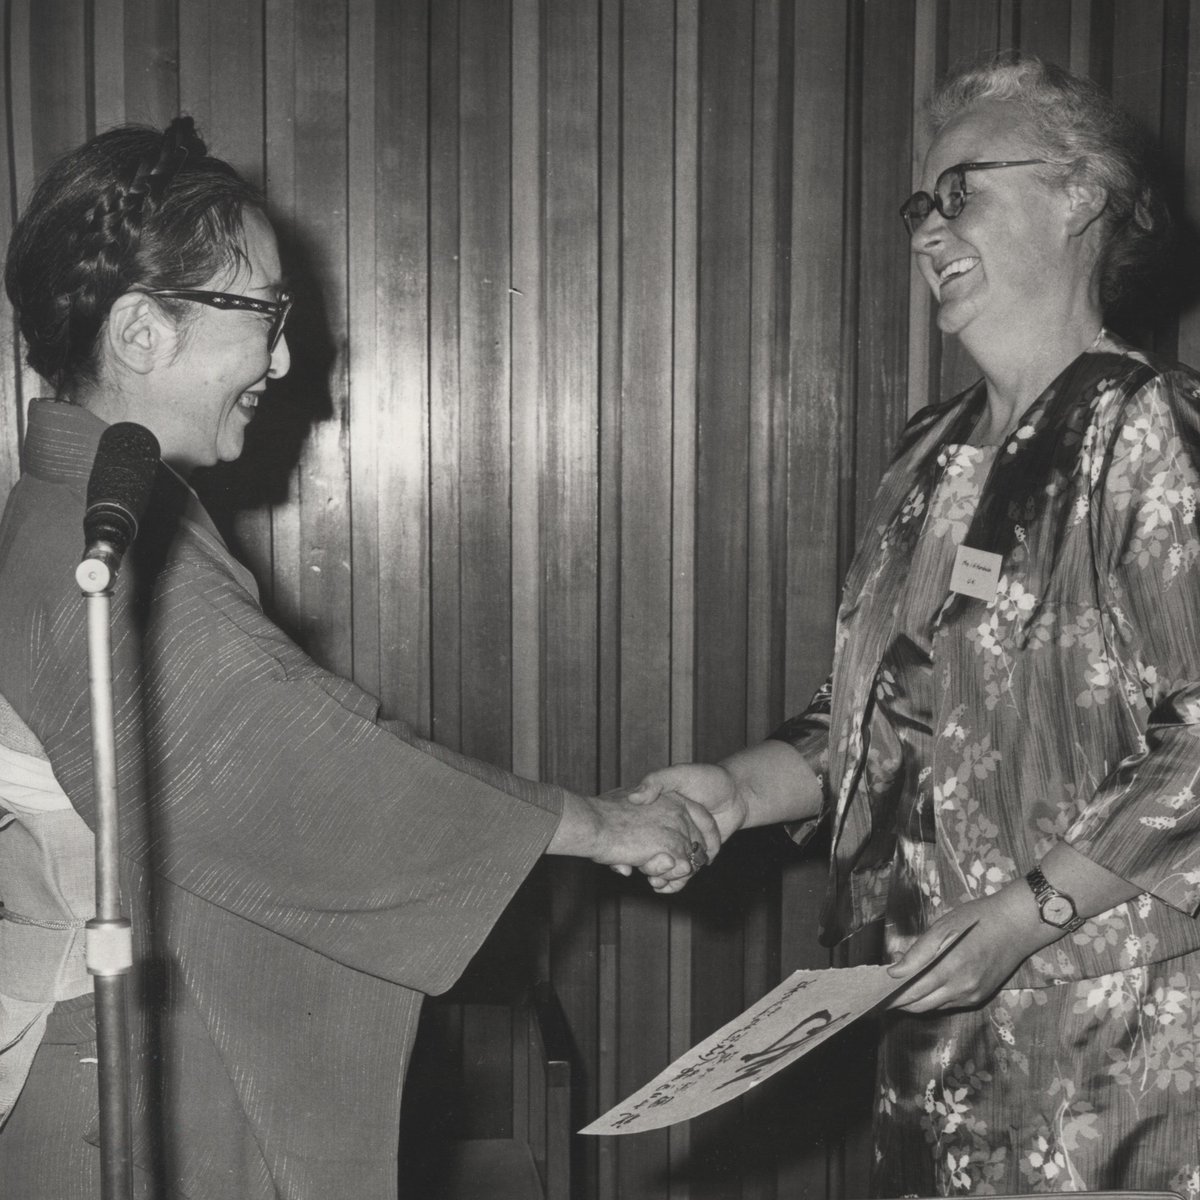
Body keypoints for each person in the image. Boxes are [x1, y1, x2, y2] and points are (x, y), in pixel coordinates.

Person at [0, 119, 719, 1200]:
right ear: (142, 331)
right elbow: (321, 776)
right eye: (262, 315)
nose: (286, 359)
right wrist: (605, 822)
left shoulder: (81, 513)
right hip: (118, 1090)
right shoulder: (89, 542)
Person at [632, 53, 1200, 1195]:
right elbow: (887, 711)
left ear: (1080, 196)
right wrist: (736, 792)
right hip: (930, 1022)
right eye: (918, 207)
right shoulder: (927, 452)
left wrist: (1031, 909)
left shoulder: (1146, 426)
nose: (926, 232)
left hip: (1107, 1050)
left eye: (961, 193)